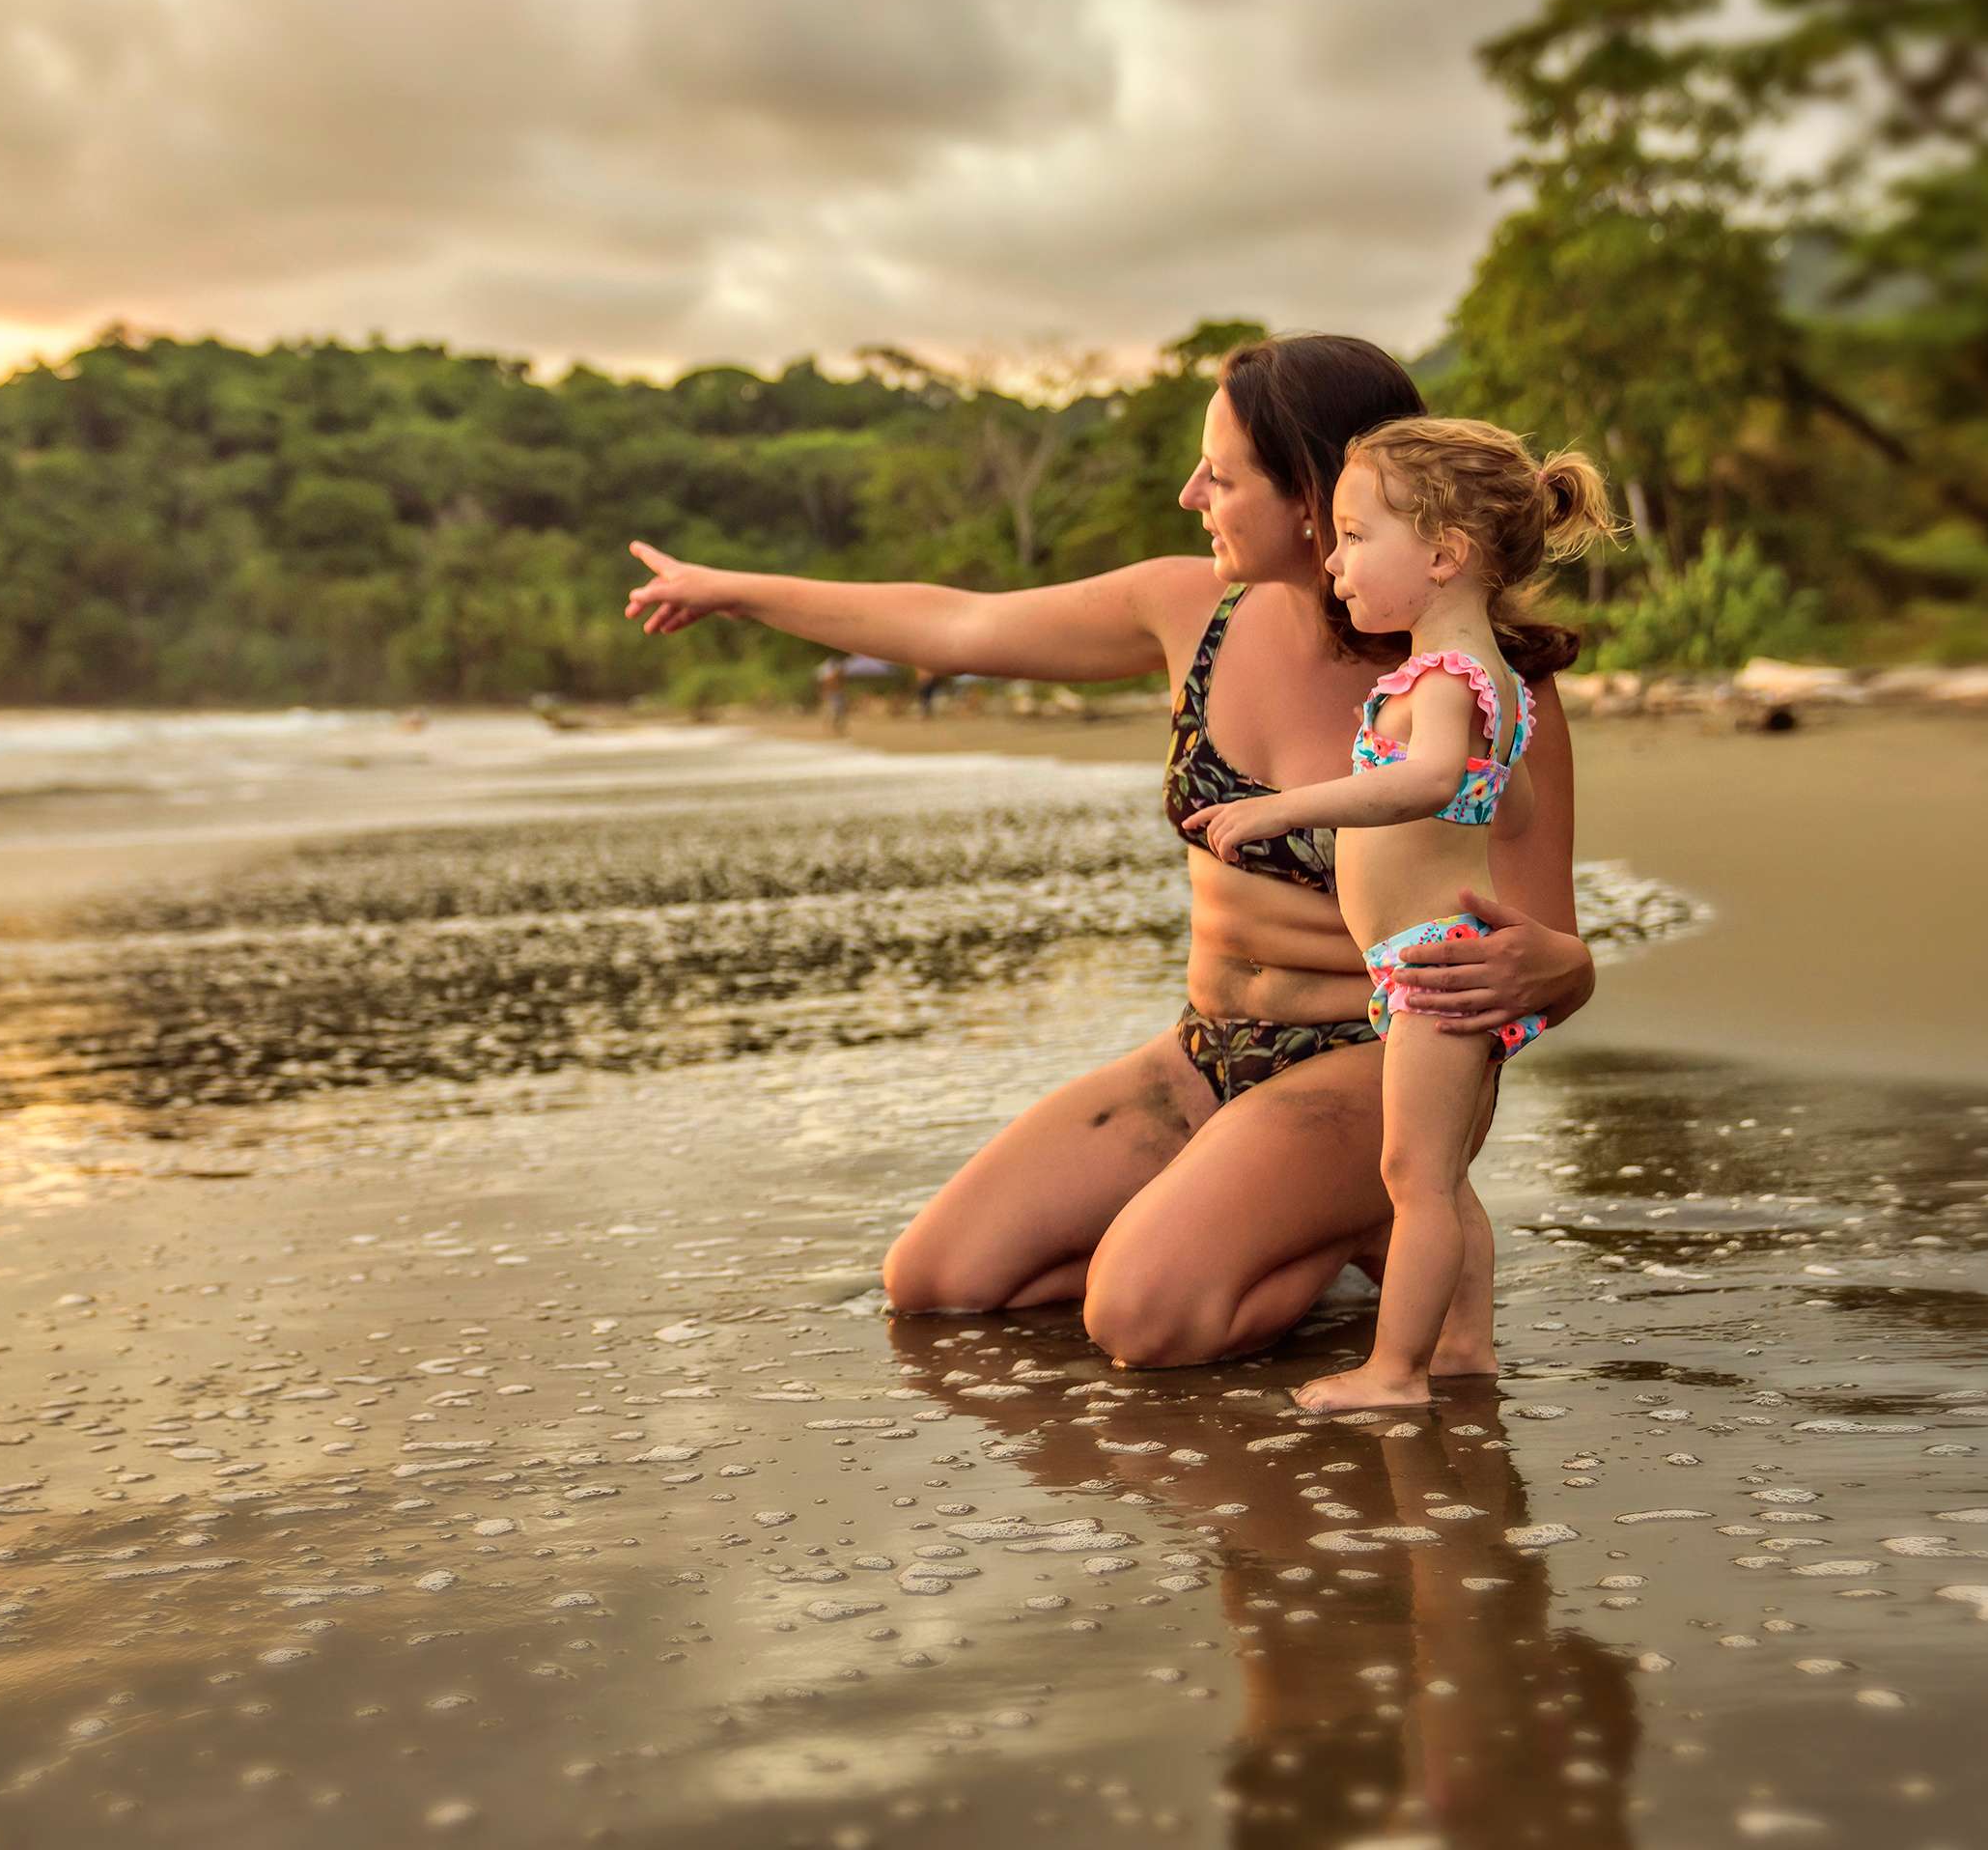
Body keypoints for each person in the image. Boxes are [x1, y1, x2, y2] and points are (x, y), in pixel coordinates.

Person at [622, 334, 1595, 1370]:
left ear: (1313, 498)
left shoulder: (1489, 686)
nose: (1190, 495)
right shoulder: (1189, 609)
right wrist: (735, 587)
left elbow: (1554, 950)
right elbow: (960, 624)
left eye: (1218, 476)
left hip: (1371, 1069)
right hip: (1204, 1049)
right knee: (936, 1282)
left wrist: (1558, 967)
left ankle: (1335, 1221)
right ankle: (1290, 1225)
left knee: (1141, 1318)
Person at [1182, 418, 1613, 1412]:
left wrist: (1287, 805)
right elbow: (1515, 803)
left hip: (1428, 960)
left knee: (1412, 1178)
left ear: (1442, 554)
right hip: (1421, 960)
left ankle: (1395, 1370)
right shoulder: (1487, 678)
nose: (1331, 561)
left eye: (1353, 535)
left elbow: (1421, 780)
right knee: (1441, 1174)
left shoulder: (1443, 675)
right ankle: (1462, 1343)